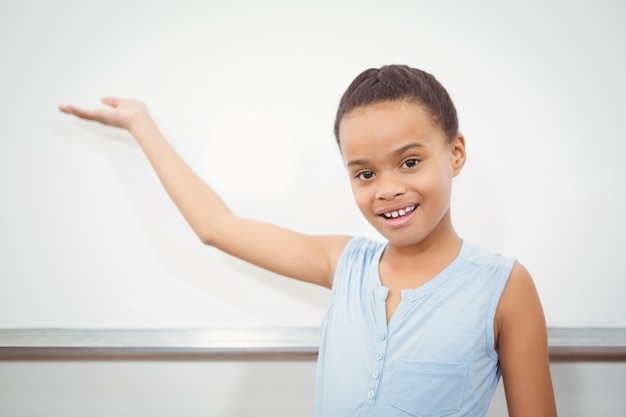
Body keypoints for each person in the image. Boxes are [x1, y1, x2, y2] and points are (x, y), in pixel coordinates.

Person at [59, 64, 557, 416]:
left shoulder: (504, 287)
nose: (387, 189)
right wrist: (140, 123)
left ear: (455, 153)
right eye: (364, 173)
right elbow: (216, 226)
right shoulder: (343, 263)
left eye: (410, 162)